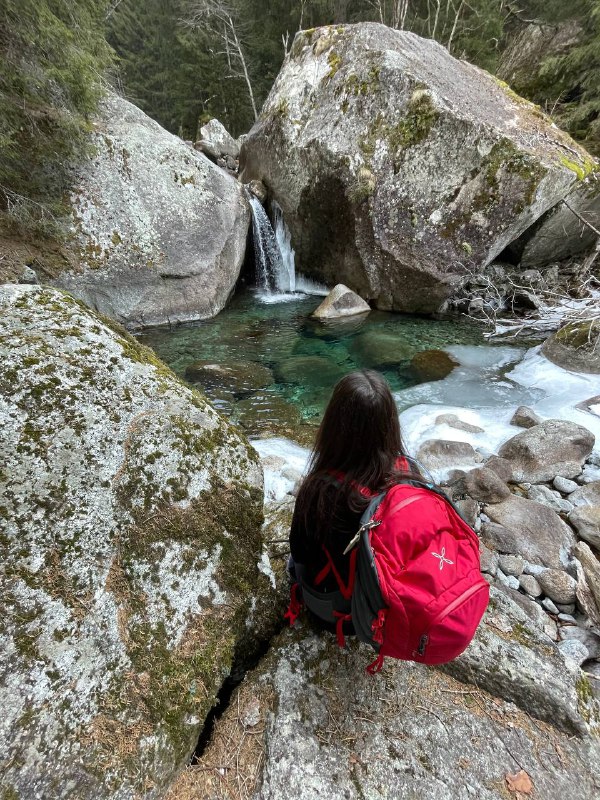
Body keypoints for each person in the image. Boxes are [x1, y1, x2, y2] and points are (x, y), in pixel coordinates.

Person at [288, 369, 423, 633]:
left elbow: (300, 551)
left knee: (294, 563)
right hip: (385, 608)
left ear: (333, 426)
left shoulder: (320, 491)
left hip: (341, 615)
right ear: (390, 423)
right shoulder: (409, 474)